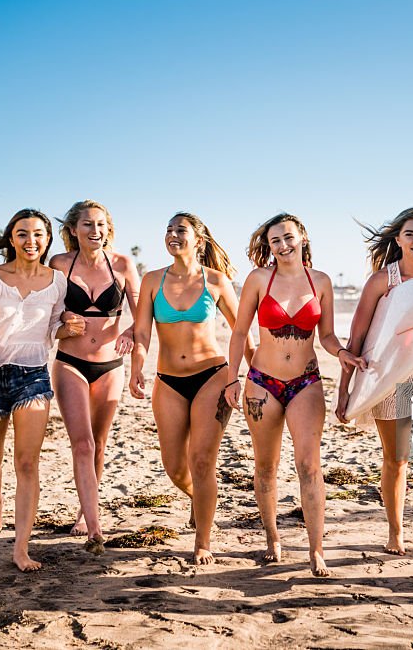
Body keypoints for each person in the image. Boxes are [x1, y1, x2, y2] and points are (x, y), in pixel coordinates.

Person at [225, 213, 363, 577]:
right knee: (266, 466)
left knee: (309, 465)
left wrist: (342, 353)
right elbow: (240, 333)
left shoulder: (320, 281)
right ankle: (273, 538)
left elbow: (328, 335)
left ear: (301, 236)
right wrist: (231, 379)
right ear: (268, 246)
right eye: (275, 241)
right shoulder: (258, 279)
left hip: (305, 382)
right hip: (262, 382)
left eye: (288, 237)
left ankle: (316, 549)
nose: (283, 246)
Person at [335, 207, 413, 583]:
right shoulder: (381, 281)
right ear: (398, 239)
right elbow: (356, 339)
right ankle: (395, 530)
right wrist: (344, 393)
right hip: (389, 374)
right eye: (411, 234)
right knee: (396, 460)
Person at [130, 212, 254, 564]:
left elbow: (241, 330)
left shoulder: (215, 281)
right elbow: (141, 332)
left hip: (212, 376)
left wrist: (245, 375)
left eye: (180, 230)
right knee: (174, 466)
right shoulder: (152, 280)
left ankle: (203, 540)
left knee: (202, 462)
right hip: (168, 380)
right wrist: (137, 366)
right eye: (168, 229)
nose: (172, 235)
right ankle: (199, 500)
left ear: (198, 239)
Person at [0, 209, 84, 571]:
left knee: (27, 463)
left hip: (32, 376)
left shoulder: (58, 281)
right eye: (22, 234)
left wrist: (69, 325)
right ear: (11, 238)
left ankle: (21, 547)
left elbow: (52, 328)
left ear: (47, 239)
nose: (30, 241)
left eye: (37, 234)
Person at [49, 200, 140, 554]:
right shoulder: (59, 264)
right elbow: (43, 313)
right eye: (87, 225)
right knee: (82, 444)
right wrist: (59, 326)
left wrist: (132, 334)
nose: (95, 231)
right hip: (70, 361)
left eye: (101, 225)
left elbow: (142, 315)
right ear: (73, 229)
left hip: (110, 364)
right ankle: (94, 525)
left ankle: (84, 512)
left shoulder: (122, 265)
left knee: (99, 444)